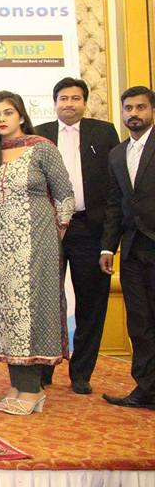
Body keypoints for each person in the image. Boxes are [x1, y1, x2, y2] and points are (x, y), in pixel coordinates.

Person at [0, 91, 75, 415]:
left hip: (36, 245)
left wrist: (55, 234)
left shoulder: (42, 148)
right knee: (6, 312)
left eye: (8, 112)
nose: (2, 119)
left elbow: (64, 196)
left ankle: (33, 389)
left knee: (31, 312)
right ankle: (18, 385)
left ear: (21, 115)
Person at [34, 78, 120, 394]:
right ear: (54, 102)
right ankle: (42, 369)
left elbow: (114, 188)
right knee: (44, 302)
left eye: (75, 98)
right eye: (63, 98)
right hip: (48, 229)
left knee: (91, 303)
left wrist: (109, 240)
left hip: (89, 229)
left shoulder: (104, 133)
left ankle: (81, 373)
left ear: (85, 102)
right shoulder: (39, 134)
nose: (69, 104)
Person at [100, 86, 155, 409]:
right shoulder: (117, 154)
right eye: (128, 108)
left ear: (152, 111)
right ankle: (146, 388)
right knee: (139, 322)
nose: (134, 113)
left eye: (141, 107)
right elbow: (114, 203)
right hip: (132, 249)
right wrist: (108, 247)